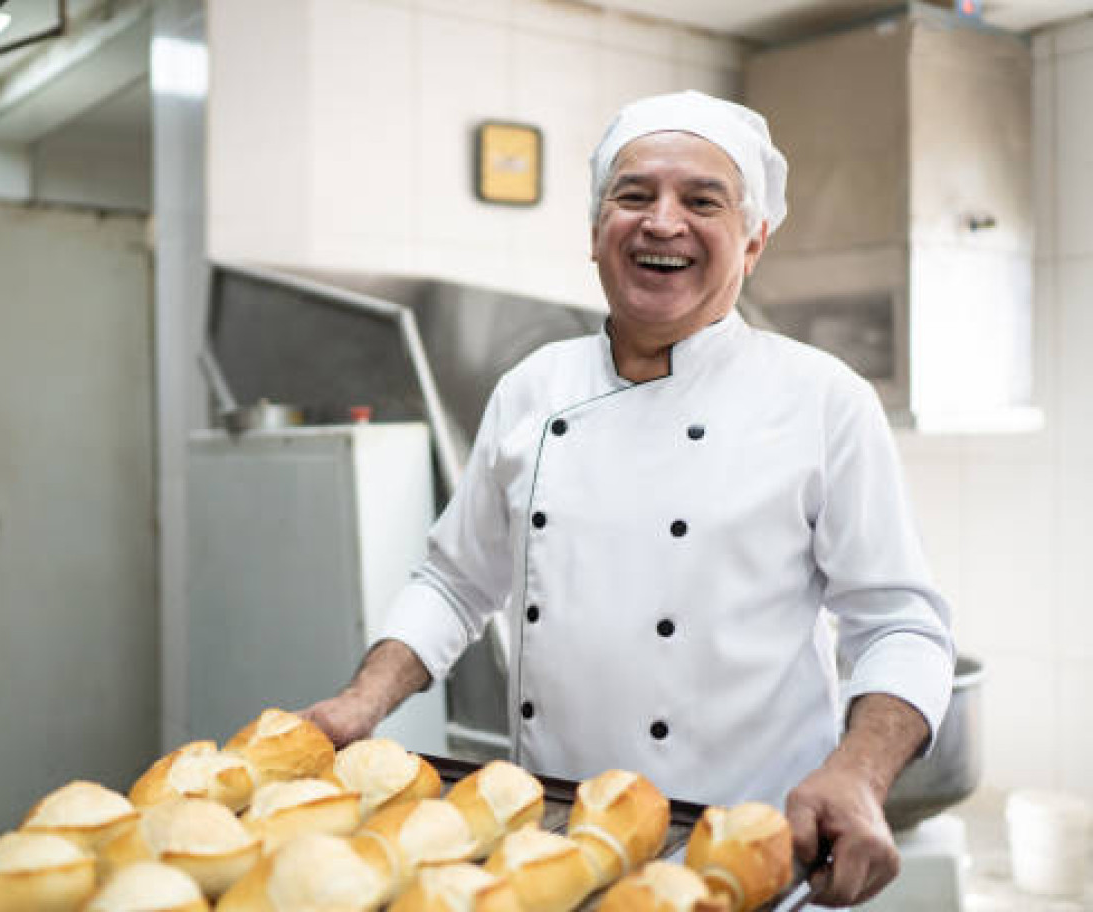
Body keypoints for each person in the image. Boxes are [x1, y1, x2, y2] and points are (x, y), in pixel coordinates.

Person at [302, 91, 954, 908]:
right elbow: (454, 582)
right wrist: (362, 703)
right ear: (594, 231)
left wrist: (857, 775)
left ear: (753, 241)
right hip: (556, 855)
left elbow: (902, 625)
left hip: (744, 854)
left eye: (702, 201)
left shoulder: (822, 400)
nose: (662, 222)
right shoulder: (533, 387)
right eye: (634, 195)